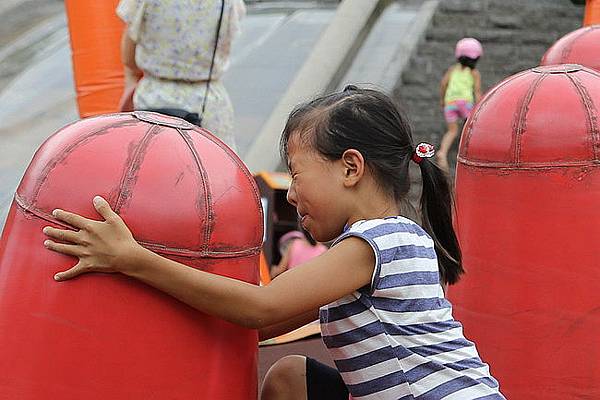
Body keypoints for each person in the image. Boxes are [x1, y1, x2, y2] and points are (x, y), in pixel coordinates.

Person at [43, 86, 505, 399]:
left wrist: (134, 260)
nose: (289, 193)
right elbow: (261, 329)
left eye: (298, 176)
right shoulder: (380, 245)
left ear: (350, 168)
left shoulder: (377, 242)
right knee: (288, 378)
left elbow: (258, 309)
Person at [116, 0, 246, 151]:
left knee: (152, 168)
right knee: (216, 168)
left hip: (153, 100)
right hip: (208, 103)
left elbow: (128, 58)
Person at [437, 37, 483, 172]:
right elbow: (477, 91)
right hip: (465, 103)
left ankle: (442, 153)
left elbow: (443, 84)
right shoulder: (474, 73)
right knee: (470, 127)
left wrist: (443, 100)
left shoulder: (452, 69)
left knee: (452, 131)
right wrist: (480, 106)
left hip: (450, 103)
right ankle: (470, 153)